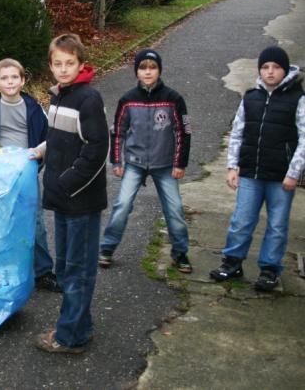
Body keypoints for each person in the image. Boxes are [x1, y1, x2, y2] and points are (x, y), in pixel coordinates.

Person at [30, 33, 109, 354]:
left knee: (77, 270)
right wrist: (41, 151)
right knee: (65, 269)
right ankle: (81, 324)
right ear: (50, 66)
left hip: (81, 201)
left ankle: (69, 336)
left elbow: (97, 148)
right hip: (63, 199)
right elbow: (61, 138)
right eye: (58, 64)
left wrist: (66, 182)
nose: (63, 69)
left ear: (80, 63)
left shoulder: (88, 99)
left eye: (70, 63)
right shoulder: (59, 96)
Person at [210, 46, 304, 292]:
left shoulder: (298, 99)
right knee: (241, 220)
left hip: (281, 177)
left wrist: (294, 172)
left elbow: (304, 138)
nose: (270, 72)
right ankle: (232, 262)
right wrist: (233, 166)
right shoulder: (251, 97)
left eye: (275, 67)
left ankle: (270, 269)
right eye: (265, 67)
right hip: (251, 172)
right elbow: (238, 133)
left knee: (277, 225)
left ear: (285, 70)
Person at [98, 49, 193, 273]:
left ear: (159, 70)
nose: (148, 72)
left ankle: (180, 253)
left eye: (152, 67)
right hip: (135, 162)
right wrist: (117, 161)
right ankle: (107, 248)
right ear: (136, 72)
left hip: (165, 164)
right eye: (143, 68)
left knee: (175, 209)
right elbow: (118, 131)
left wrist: (180, 163)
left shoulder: (173, 99)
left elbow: (183, 131)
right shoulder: (128, 100)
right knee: (122, 205)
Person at [0, 58, 60, 292]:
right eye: (4, 78)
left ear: (22, 80)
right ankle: (6, 269)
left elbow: (49, 136)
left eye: (14, 77)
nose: (9, 82)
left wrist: (38, 154)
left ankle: (43, 272)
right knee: (1, 221)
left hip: (26, 173)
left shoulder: (33, 108)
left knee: (35, 221)